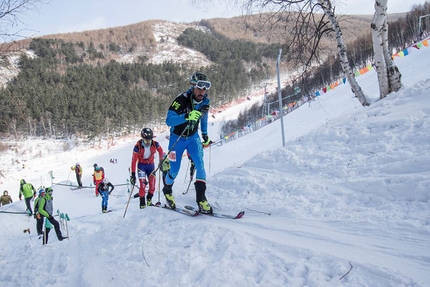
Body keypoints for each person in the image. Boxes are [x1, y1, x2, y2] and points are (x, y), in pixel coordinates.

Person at [163, 72, 213, 214]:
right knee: (174, 171)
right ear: (193, 86)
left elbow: (204, 119)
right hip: (177, 139)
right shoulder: (181, 99)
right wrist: (186, 116)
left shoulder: (205, 102)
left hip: (192, 138)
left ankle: (201, 199)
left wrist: (205, 135)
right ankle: (167, 190)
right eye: (199, 88)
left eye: (205, 89)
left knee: (200, 165)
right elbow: (169, 120)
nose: (202, 92)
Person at [130, 127, 164, 208]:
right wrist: (133, 175)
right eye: (146, 140)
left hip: (151, 166)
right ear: (142, 139)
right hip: (142, 166)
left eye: (150, 140)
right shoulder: (137, 146)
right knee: (143, 185)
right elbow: (134, 161)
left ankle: (149, 200)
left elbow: (161, 151)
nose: (148, 142)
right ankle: (142, 203)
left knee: (152, 186)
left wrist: (161, 161)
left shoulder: (155, 144)